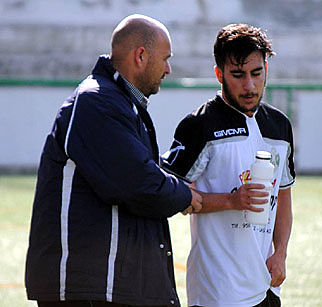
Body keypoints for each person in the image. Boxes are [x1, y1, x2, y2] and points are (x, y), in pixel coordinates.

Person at [24, 14, 206, 307]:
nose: (169, 69)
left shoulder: (118, 102)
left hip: (104, 286)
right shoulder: (96, 101)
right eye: (166, 58)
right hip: (89, 289)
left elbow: (142, 171)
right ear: (141, 56)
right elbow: (138, 184)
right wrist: (187, 196)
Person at [162, 23, 296, 306]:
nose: (249, 85)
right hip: (217, 291)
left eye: (256, 73)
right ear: (219, 74)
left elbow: (283, 195)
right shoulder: (199, 125)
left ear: (266, 71)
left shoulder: (280, 126)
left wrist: (280, 252)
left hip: (266, 287)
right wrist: (231, 200)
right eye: (237, 75)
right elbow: (169, 195)